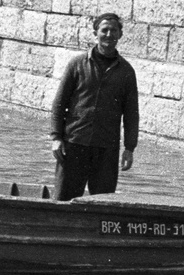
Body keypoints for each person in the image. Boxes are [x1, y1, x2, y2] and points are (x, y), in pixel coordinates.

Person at [48, 12, 139, 199]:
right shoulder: (77, 64)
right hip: (74, 144)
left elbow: (131, 114)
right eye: (104, 30)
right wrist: (56, 137)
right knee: (64, 199)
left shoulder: (126, 71)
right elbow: (59, 103)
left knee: (102, 202)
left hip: (106, 149)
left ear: (120, 35)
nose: (108, 35)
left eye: (114, 30)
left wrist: (129, 148)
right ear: (95, 33)